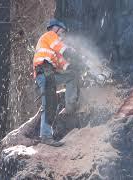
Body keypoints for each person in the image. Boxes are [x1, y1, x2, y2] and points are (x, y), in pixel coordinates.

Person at [33, 18, 80, 147]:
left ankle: (70, 107)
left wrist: (73, 66)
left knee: (72, 76)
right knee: (49, 104)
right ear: (55, 28)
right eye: (62, 31)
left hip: (50, 74)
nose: (63, 34)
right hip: (43, 72)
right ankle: (46, 137)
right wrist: (74, 53)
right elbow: (62, 49)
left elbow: (62, 62)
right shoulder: (49, 36)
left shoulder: (53, 47)